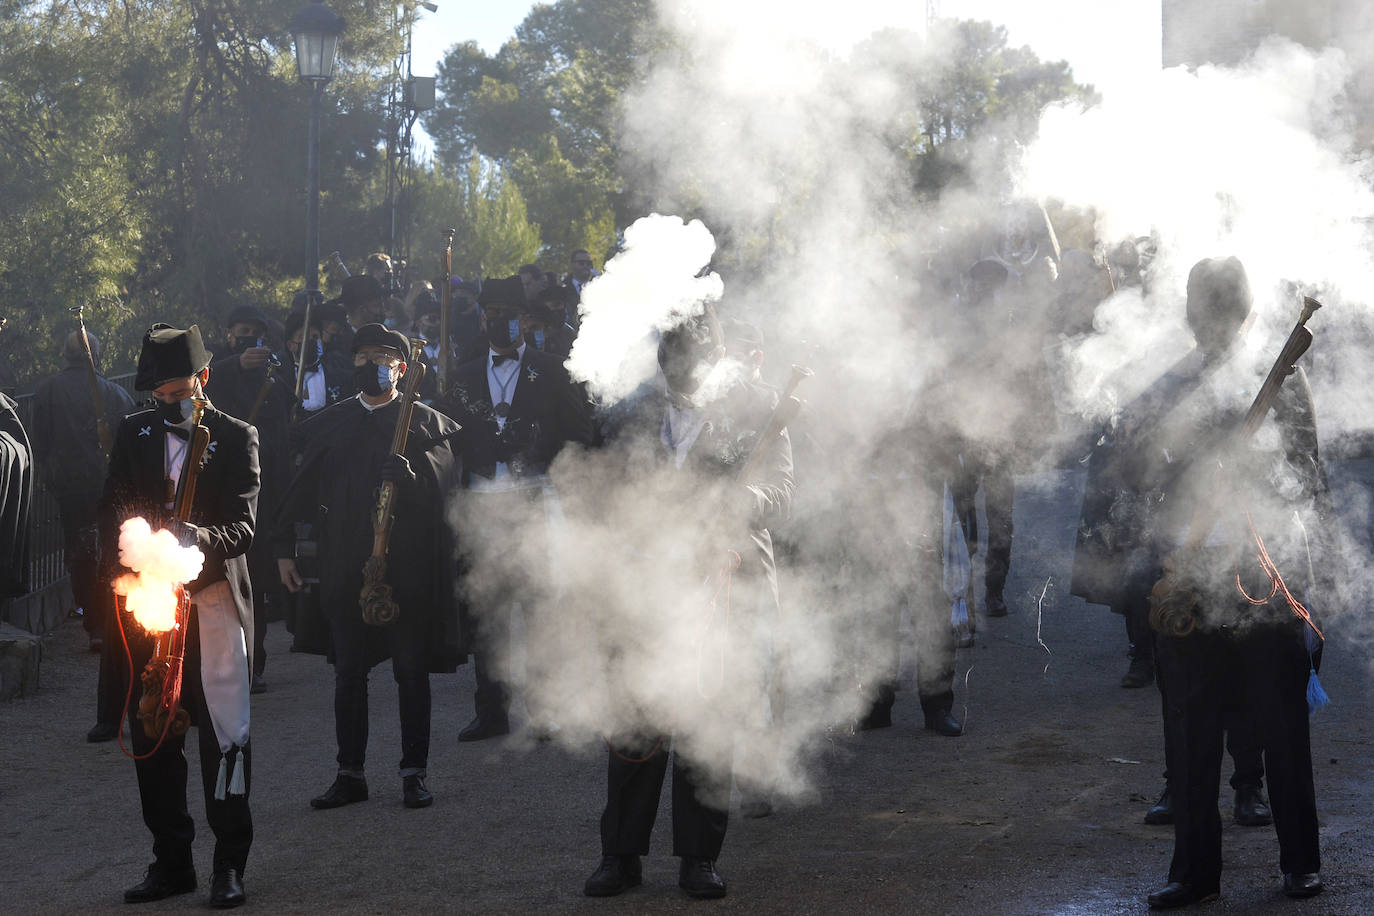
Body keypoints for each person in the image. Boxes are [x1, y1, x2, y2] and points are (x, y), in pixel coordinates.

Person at [1110, 259, 1327, 908]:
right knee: (1190, 732)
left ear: (1246, 314)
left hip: (1264, 570)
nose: (1213, 327)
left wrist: (1253, 470)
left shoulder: (1281, 379)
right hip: (1189, 572)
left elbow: (1306, 475)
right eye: (1204, 314)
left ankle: (1301, 862)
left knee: (1283, 725)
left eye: (1223, 314)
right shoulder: (1168, 386)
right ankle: (1194, 872)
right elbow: (1136, 476)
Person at [582, 311, 793, 901]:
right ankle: (620, 856)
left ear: (718, 358)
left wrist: (741, 498)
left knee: (708, 724)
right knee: (635, 721)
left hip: (724, 580)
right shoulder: (630, 413)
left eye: (693, 363)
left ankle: (699, 859)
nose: (681, 375)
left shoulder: (759, 409)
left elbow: (783, 493)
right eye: (671, 364)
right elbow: (599, 492)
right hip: (646, 579)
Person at [273, 324, 465, 810]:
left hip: (406, 569)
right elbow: (300, 489)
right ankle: (349, 773)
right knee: (349, 674)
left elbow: (448, 497)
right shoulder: (332, 423)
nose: (371, 365)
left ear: (402, 368)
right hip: (345, 563)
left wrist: (415, 479)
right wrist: (284, 549)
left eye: (382, 357)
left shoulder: (424, 424)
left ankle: (413, 772)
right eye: (363, 356)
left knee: (410, 671)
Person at [100, 323, 258, 908]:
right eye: (160, 394)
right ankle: (171, 862)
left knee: (225, 733)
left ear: (203, 378)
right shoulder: (134, 432)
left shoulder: (237, 436)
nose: (169, 401)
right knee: (153, 724)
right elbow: (113, 503)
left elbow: (243, 527)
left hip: (211, 599)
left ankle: (229, 863)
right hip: (152, 598)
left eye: (179, 390)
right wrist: (137, 545)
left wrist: (196, 540)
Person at [435, 277, 594, 741]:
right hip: (482, 500)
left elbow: (580, 432)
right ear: (483, 318)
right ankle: (491, 711)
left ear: (524, 319)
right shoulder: (462, 374)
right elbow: (449, 438)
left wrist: (553, 465)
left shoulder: (553, 370)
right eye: (492, 313)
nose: (499, 320)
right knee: (489, 609)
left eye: (508, 312)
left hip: (535, 496)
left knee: (539, 606)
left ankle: (546, 711)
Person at [30, 329, 136, 739]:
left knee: (79, 550)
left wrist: (49, 474)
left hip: (70, 484)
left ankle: (94, 623)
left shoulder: (48, 391)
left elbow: (40, 440)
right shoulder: (115, 393)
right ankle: (110, 619)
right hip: (107, 483)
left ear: (64, 354)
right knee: (110, 550)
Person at [206, 305, 292, 694]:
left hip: (263, 487)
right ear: (229, 335)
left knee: (253, 580)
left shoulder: (273, 375)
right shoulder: (216, 370)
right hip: (220, 488)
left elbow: (284, 418)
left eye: (256, 334)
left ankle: (252, 663)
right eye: (242, 332)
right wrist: (236, 365)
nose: (249, 340)